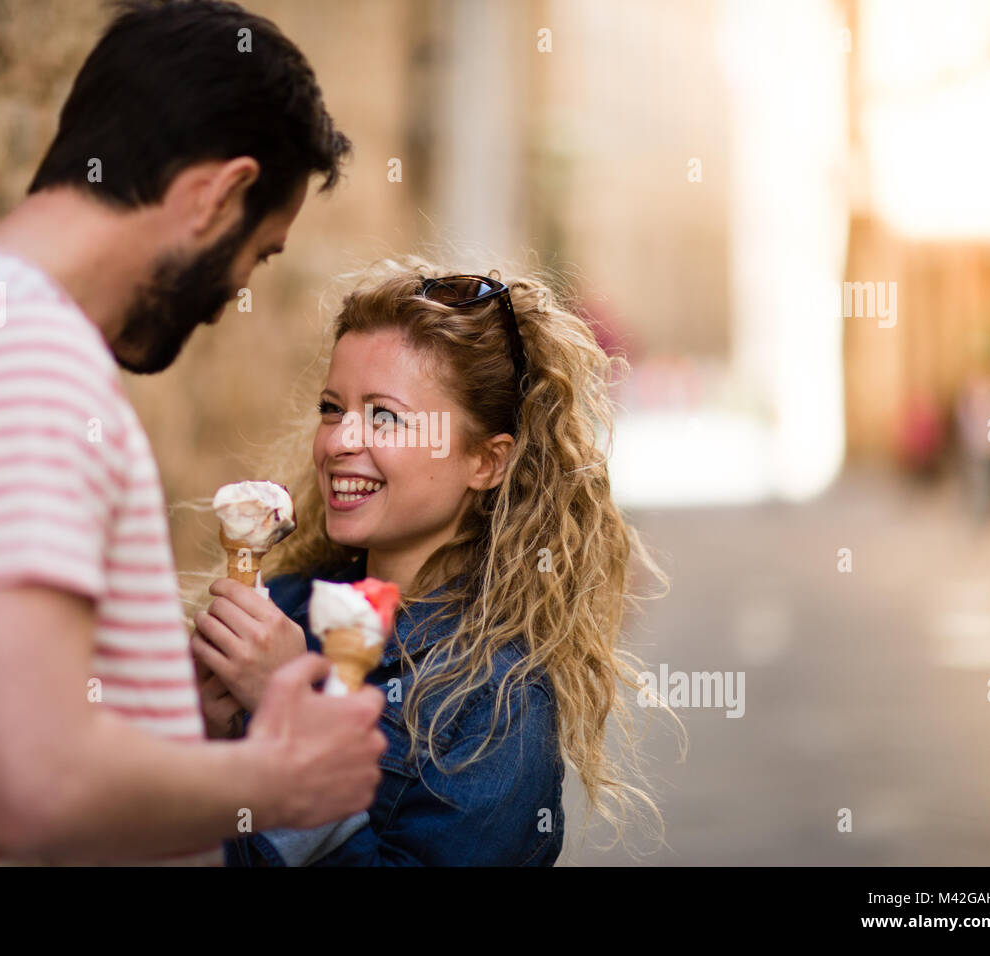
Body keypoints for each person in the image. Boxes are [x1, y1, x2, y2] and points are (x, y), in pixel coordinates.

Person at [0, 0, 386, 866]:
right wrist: (279, 779)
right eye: (258, 252)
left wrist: (158, 716)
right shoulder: (24, 364)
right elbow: (32, 784)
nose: (236, 296)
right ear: (218, 195)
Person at [191, 260, 665, 865]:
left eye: (384, 416)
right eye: (333, 408)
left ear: (487, 462)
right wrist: (206, 737)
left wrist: (298, 717)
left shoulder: (495, 702)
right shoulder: (282, 604)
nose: (338, 441)